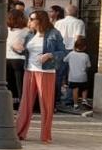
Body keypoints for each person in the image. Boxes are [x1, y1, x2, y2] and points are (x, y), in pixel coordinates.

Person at [14, 9, 66, 143]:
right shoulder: (30, 35)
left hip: (46, 72)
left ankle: (45, 135)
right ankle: (19, 132)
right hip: (29, 70)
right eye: (30, 18)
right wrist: (18, 49)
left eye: (32, 19)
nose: (29, 21)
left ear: (40, 20)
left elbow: (63, 52)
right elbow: (25, 52)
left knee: (46, 105)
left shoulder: (54, 34)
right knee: (25, 103)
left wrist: (49, 55)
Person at [53, 4, 86, 106]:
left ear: (66, 12)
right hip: (72, 50)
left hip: (59, 51)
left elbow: (54, 37)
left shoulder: (58, 23)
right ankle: (68, 98)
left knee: (58, 75)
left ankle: (56, 97)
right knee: (71, 75)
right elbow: (78, 37)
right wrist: (76, 50)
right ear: (76, 12)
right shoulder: (79, 22)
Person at [5, 9, 30, 106]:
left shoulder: (6, 30)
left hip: (7, 59)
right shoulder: (26, 31)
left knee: (10, 84)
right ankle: (23, 106)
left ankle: (12, 105)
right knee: (21, 85)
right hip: (19, 60)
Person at [64, 36, 91, 111]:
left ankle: (75, 104)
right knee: (85, 89)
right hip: (83, 76)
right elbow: (88, 66)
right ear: (84, 47)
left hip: (72, 76)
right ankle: (84, 100)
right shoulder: (86, 56)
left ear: (75, 46)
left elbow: (64, 60)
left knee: (75, 90)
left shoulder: (71, 54)